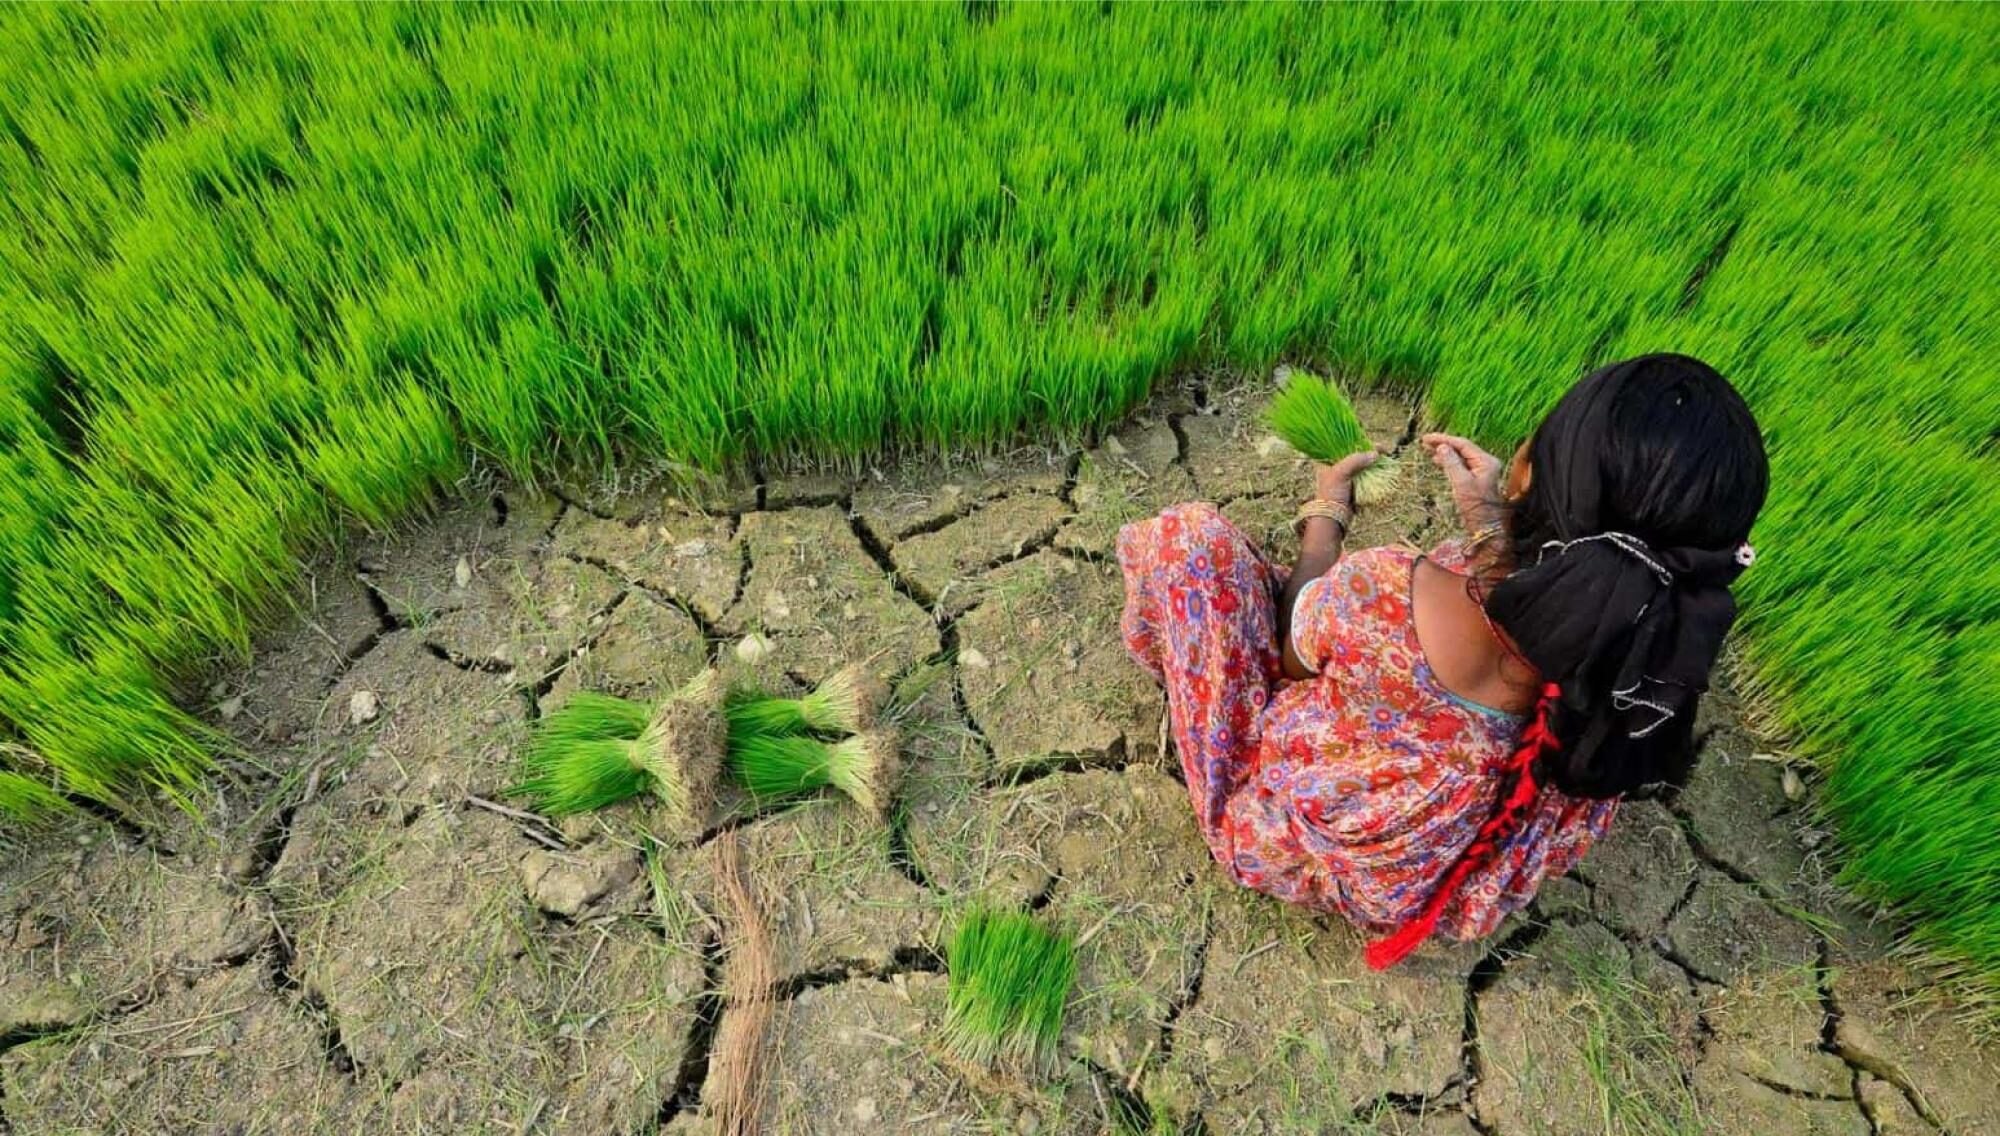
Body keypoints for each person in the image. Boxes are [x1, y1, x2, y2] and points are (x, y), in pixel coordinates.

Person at [1117, 354, 1768, 967]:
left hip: (1313, 843)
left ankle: (1230, 789)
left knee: (1190, 543)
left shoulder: (1384, 592)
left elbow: (1290, 656)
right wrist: (1493, 524)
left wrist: (1325, 519)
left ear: (1523, 470)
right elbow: (1543, 617)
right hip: (1446, 876)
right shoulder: (1644, 654)